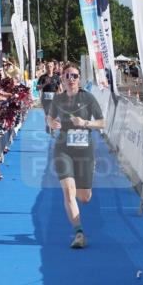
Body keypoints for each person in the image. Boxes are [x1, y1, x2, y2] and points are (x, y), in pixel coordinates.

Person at [45, 64, 106, 249]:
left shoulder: (88, 97)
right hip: (63, 150)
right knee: (68, 192)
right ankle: (79, 233)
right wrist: (52, 123)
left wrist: (85, 123)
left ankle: (84, 192)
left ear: (79, 79)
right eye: (67, 76)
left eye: (74, 76)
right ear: (62, 79)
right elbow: (49, 117)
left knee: (84, 197)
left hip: (84, 152)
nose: (71, 79)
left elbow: (102, 122)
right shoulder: (57, 99)